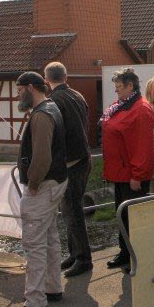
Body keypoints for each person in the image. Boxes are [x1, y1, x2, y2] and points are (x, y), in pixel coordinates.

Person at [5, 72, 68, 307]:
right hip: (56, 183)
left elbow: (42, 158)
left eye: (19, 90)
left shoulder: (41, 115)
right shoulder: (51, 107)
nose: (17, 94)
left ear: (31, 88)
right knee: (50, 237)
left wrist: (32, 185)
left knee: (33, 243)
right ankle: (53, 287)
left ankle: (34, 301)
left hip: (42, 187)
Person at [101, 68, 154, 271]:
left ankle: (136, 257)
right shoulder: (121, 105)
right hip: (120, 172)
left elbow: (142, 145)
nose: (116, 92)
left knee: (132, 218)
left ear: (130, 86)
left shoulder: (140, 109)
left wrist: (137, 175)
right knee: (122, 216)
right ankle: (126, 253)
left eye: (119, 88)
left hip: (131, 175)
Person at [44, 61, 92, 278]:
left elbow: (57, 134)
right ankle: (74, 253)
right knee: (71, 209)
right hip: (84, 158)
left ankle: (83, 258)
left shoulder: (53, 101)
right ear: (66, 76)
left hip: (70, 162)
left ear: (46, 80)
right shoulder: (77, 95)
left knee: (71, 211)